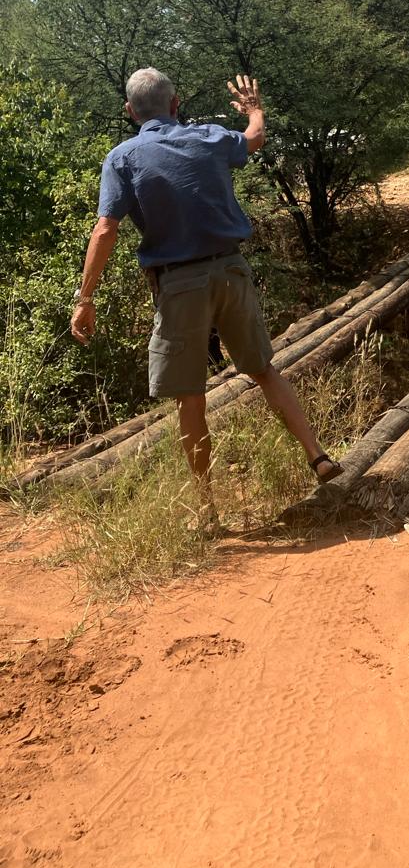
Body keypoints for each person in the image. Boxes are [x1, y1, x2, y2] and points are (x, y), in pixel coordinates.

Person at [70, 67, 341, 536]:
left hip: (179, 284)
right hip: (232, 270)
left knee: (189, 393)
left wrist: (85, 297)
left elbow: (106, 228)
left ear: (130, 112)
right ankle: (317, 456)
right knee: (262, 368)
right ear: (175, 104)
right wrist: (254, 109)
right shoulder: (210, 137)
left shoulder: (122, 158)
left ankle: (207, 510)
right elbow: (254, 138)